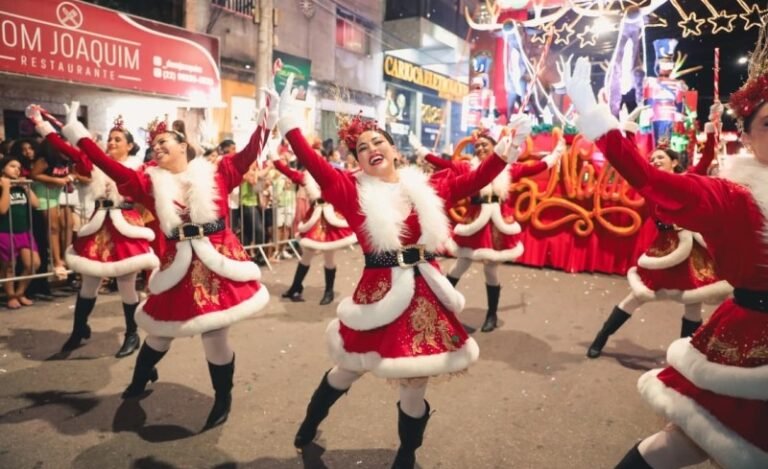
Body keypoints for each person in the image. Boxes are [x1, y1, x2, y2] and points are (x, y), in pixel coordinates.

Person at [277, 74, 528, 467]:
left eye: (378, 141)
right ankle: (311, 422)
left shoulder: (427, 189)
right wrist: (289, 123)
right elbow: (314, 164)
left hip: (423, 293)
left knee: (414, 382)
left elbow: (475, 178)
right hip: (376, 294)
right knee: (347, 369)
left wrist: (504, 152)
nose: (371, 148)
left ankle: (408, 452)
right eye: (362, 147)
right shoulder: (349, 191)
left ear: (394, 151)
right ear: (358, 161)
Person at [562, 53, 768, 468]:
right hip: (749, 331)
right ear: (746, 138)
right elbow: (652, 181)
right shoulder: (732, 196)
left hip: (694, 264)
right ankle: (601, 340)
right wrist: (598, 121)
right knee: (690, 442)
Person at [50, 98, 273, 431]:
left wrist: (266, 122)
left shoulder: (219, 172)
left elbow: (251, 152)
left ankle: (222, 398)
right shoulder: (148, 184)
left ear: (183, 145)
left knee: (214, 336)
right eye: (153, 146)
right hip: (177, 269)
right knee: (158, 334)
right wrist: (78, 134)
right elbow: (108, 166)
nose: (156, 149)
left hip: (217, 268)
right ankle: (141, 378)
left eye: (163, 142)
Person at [585, 105, 732, 359]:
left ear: (675, 162)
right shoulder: (649, 185)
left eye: (660, 158)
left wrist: (711, 127)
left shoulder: (688, 179)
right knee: (637, 295)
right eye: (652, 159)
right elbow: (628, 159)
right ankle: (601, 337)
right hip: (663, 248)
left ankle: (683, 357)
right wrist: (629, 129)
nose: (654, 161)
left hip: (691, 251)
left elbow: (707, 158)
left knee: (693, 303)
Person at [27, 110, 161, 357]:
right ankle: (79, 329)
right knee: (89, 282)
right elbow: (69, 150)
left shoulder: (139, 169)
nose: (111, 142)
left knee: (126, 284)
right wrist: (41, 124)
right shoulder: (95, 164)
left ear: (131, 146)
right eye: (110, 138)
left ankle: (132, 334)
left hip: (126, 226)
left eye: (118, 139)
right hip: (99, 225)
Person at [412, 126, 565, 332]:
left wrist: (556, 153)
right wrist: (422, 150)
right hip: (474, 222)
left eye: (485, 145)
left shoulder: (508, 168)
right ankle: (439, 307)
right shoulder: (467, 168)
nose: (481, 148)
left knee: (491, 270)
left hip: (497, 226)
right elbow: (443, 163)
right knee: (460, 265)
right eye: (477, 146)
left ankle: (491, 314)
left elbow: (536, 167)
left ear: (495, 146)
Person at [272, 144, 357, 305]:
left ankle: (328, 291)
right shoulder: (305, 176)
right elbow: (286, 171)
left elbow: (353, 176)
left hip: (332, 218)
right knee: (307, 253)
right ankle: (296, 287)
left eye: (316, 156)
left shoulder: (334, 173)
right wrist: (274, 157)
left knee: (329, 256)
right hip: (315, 217)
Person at [0, 157, 40, 309]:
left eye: (19, 167)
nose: (17, 169)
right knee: (8, 266)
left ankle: (20, 293)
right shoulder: (2, 185)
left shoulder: (22, 185)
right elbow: (2, 209)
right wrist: (6, 187)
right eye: (12, 166)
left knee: (33, 263)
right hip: (5, 231)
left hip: (23, 231)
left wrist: (27, 189)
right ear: (3, 168)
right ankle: (11, 296)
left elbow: (37, 204)